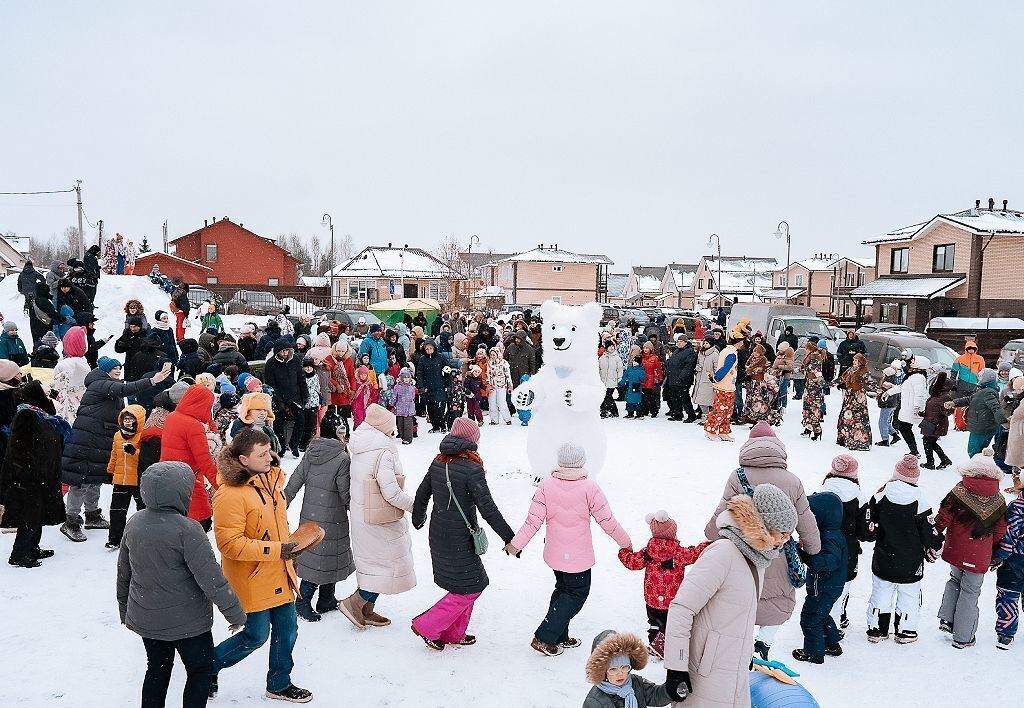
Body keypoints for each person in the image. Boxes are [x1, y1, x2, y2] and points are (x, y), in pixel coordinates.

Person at [116, 461, 246, 708]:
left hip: (148, 619)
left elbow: (124, 572)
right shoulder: (188, 530)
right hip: (189, 625)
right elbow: (212, 580)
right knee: (199, 671)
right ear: (181, 492)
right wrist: (235, 613)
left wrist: (125, 609)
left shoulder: (134, 523)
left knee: (156, 670)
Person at [664, 484, 798, 707]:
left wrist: (746, 656)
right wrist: (676, 668)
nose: (784, 541)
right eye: (782, 534)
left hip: (733, 670)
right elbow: (682, 608)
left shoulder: (758, 559)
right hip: (706, 674)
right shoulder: (723, 553)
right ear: (764, 526)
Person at [704, 421, 821, 659]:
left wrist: (712, 535)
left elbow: (722, 513)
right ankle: (764, 644)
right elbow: (804, 518)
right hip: (779, 551)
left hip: (744, 550)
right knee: (778, 598)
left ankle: (743, 646)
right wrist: (813, 548)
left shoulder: (738, 477)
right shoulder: (792, 480)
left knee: (743, 598)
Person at [210, 429, 311, 703]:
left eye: (270, 451)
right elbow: (229, 544)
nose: (271, 457)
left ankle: (279, 683)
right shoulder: (229, 494)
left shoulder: (271, 481)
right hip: (252, 576)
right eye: (262, 454)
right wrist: (277, 550)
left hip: (279, 571)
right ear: (243, 459)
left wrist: (292, 546)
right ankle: (206, 667)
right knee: (255, 635)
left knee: (288, 630)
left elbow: (275, 526)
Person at [507, 443, 631, 656]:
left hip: (555, 554)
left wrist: (516, 544)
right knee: (576, 593)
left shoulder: (547, 485)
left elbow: (532, 521)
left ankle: (558, 636)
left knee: (563, 590)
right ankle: (544, 637)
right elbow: (607, 520)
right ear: (581, 462)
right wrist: (625, 542)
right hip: (578, 557)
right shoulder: (589, 488)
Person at [410, 417, 515, 650]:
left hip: (439, 533)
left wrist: (418, 519)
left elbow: (421, 493)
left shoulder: (438, 461)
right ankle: (427, 626)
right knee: (473, 586)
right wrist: (509, 537)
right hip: (459, 537)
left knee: (463, 586)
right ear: (471, 440)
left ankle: (454, 633)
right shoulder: (471, 468)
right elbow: (487, 507)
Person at [61, 359, 171, 542]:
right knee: (80, 481)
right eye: (114, 368)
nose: (118, 371)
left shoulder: (110, 385)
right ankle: (71, 521)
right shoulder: (99, 384)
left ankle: (92, 515)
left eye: (119, 368)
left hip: (99, 439)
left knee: (95, 478)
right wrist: (152, 381)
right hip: (86, 440)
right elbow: (125, 388)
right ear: (105, 370)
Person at [341, 404, 416, 629]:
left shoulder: (363, 446)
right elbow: (391, 492)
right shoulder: (382, 452)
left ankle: (366, 609)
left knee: (375, 564)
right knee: (386, 565)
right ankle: (355, 603)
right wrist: (415, 506)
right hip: (380, 518)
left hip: (364, 515)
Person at [864, 455, 944, 644]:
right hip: (910, 559)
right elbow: (929, 533)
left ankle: (877, 629)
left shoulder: (881, 495)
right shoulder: (920, 502)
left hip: (884, 556)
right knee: (909, 595)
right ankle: (906, 630)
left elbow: (871, 523)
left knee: (881, 592)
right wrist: (937, 543)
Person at [934, 450, 1008, 649]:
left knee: (954, 580)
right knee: (971, 591)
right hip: (980, 553)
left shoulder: (958, 491)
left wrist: (935, 534)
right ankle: (963, 637)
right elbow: (1001, 529)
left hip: (956, 547)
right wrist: (994, 549)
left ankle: (947, 620)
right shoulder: (999, 500)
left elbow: (943, 517)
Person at [285, 412, 354, 623]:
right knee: (324, 559)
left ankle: (326, 599)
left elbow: (296, 479)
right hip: (332, 517)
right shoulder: (342, 458)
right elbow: (345, 492)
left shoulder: (312, 451)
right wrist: (355, 506)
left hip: (311, 517)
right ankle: (303, 602)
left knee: (317, 556)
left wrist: (283, 501)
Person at [617, 511, 709, 658]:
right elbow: (695, 554)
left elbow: (633, 562)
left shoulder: (648, 552)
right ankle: (672, 648)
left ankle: (656, 647)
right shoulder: (678, 553)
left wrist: (623, 553)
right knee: (671, 625)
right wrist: (708, 544)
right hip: (672, 601)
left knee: (654, 623)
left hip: (652, 600)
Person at [0, 380, 70, 568]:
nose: (48, 395)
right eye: (45, 392)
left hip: (43, 475)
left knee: (39, 513)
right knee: (29, 516)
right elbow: (17, 448)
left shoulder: (39, 414)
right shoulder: (26, 414)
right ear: (35, 394)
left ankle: (32, 547)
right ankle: (19, 554)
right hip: (30, 478)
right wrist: (26, 473)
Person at [792, 492, 848, 664]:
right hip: (828, 586)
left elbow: (827, 562)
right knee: (821, 615)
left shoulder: (830, 538)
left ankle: (813, 653)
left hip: (824, 587)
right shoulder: (830, 533)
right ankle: (832, 644)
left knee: (810, 618)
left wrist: (804, 556)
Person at [160, 384, 220, 531]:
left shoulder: (172, 417)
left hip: (168, 475)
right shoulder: (193, 425)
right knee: (201, 520)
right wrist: (219, 485)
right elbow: (204, 460)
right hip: (189, 480)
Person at [582, 630, 671, 708]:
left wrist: (671, 689)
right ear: (603, 671)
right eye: (613, 669)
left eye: (625, 667)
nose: (620, 674)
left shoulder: (636, 683)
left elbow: (656, 695)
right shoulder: (594, 701)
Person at [105, 405, 146, 549]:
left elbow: (146, 458)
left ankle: (143, 537)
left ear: (138, 420)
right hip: (120, 479)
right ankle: (115, 538)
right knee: (117, 510)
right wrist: (110, 471)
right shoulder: (117, 435)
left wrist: (134, 451)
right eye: (125, 419)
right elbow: (114, 455)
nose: (128, 422)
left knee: (142, 510)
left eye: (131, 419)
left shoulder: (142, 436)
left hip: (136, 480)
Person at [949, 368, 1006, 457]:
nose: (978, 377)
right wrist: (954, 402)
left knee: (973, 451)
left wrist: (1002, 421)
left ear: (985, 378)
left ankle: (976, 468)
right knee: (979, 452)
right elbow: (970, 399)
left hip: (981, 427)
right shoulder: (983, 390)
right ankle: (981, 466)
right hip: (983, 426)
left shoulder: (987, 392)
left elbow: (996, 407)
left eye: (980, 375)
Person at [995, 483, 1024, 648]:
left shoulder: (1017, 506)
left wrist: (1000, 556)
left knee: (1008, 595)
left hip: (1016, 559)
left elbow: (1010, 535)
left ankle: (1006, 635)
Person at [265, 341, 305, 457]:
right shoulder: (271, 364)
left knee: (300, 421)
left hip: (295, 396)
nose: (285, 353)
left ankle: (294, 444)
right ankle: (281, 447)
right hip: (279, 397)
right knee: (278, 423)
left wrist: (305, 395)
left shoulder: (295, 360)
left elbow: (301, 378)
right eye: (282, 351)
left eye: (287, 350)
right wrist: (280, 402)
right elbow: (271, 384)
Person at [884, 356, 930, 457]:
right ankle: (914, 451)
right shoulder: (913, 375)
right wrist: (889, 392)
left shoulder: (918, 377)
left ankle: (915, 450)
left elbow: (920, 394)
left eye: (914, 361)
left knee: (904, 428)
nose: (911, 362)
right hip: (907, 407)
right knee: (905, 428)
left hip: (912, 408)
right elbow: (902, 387)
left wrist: (917, 407)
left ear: (920, 364)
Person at [703, 336, 740, 441]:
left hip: (728, 385)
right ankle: (711, 430)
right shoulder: (731, 353)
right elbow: (725, 368)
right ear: (737, 343)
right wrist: (716, 378)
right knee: (721, 409)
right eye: (741, 342)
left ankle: (724, 431)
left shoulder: (728, 351)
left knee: (727, 410)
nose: (742, 344)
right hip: (725, 385)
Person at [836, 353, 873, 450]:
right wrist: (830, 383)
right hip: (849, 396)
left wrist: (879, 391)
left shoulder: (863, 371)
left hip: (858, 397)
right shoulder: (850, 369)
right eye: (854, 360)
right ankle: (847, 439)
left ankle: (860, 441)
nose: (854, 362)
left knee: (858, 419)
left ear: (860, 362)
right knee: (847, 417)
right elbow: (842, 379)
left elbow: (869, 383)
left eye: (856, 360)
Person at [921, 369, 956, 469]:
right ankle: (944, 460)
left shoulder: (946, 396)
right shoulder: (936, 395)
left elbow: (949, 410)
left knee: (928, 442)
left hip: (937, 424)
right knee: (930, 442)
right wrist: (924, 413)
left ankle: (931, 463)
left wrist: (943, 411)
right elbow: (933, 408)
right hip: (930, 422)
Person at [415, 339, 451, 433]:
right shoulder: (422, 359)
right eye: (427, 349)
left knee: (438, 408)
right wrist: (421, 386)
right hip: (428, 387)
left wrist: (448, 385)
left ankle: (442, 425)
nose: (429, 351)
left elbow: (447, 371)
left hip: (439, 385)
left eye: (431, 348)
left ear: (434, 348)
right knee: (430, 408)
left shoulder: (440, 357)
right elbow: (420, 374)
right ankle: (435, 426)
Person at [663, 335, 697, 422]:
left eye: (681, 341)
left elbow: (689, 366)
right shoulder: (677, 351)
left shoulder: (690, 352)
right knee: (675, 397)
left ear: (686, 342)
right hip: (673, 378)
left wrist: (681, 376)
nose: (678, 343)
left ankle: (691, 415)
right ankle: (678, 414)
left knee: (684, 398)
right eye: (678, 341)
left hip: (683, 380)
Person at [875, 362, 903, 447]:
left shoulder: (887, 383)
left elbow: (887, 395)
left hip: (887, 405)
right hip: (892, 405)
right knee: (886, 422)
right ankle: (895, 435)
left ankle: (885, 440)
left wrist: (881, 398)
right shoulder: (894, 381)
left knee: (882, 422)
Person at [486, 347, 513, 425]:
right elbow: (488, 374)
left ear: (498, 354)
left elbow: (508, 375)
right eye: (491, 354)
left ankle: (507, 419)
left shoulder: (504, 363)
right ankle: (494, 420)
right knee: (492, 403)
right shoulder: (489, 363)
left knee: (501, 403)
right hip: (492, 386)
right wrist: (488, 384)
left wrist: (510, 386)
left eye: (494, 354)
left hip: (502, 385)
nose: (492, 356)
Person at [598, 339, 624, 419]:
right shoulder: (602, 358)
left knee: (607, 396)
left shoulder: (617, 358)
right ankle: (614, 412)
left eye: (612, 346)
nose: (611, 348)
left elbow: (620, 369)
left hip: (612, 380)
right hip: (603, 380)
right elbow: (599, 369)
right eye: (609, 346)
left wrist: (619, 379)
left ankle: (604, 411)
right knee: (608, 397)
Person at [392, 367, 417, 444]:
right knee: (400, 424)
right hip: (400, 409)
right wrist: (392, 404)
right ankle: (403, 436)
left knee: (408, 425)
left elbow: (413, 397)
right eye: (404, 378)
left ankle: (408, 439)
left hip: (409, 409)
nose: (406, 379)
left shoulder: (412, 387)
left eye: (408, 378)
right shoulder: (397, 387)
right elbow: (394, 396)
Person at [619, 355, 646, 420]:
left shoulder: (641, 370)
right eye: (634, 361)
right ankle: (630, 414)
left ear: (639, 363)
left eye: (636, 362)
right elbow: (625, 376)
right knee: (629, 400)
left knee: (637, 401)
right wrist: (622, 383)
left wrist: (642, 375)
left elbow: (643, 379)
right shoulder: (629, 368)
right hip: (629, 387)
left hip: (636, 387)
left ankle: (639, 414)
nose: (634, 363)